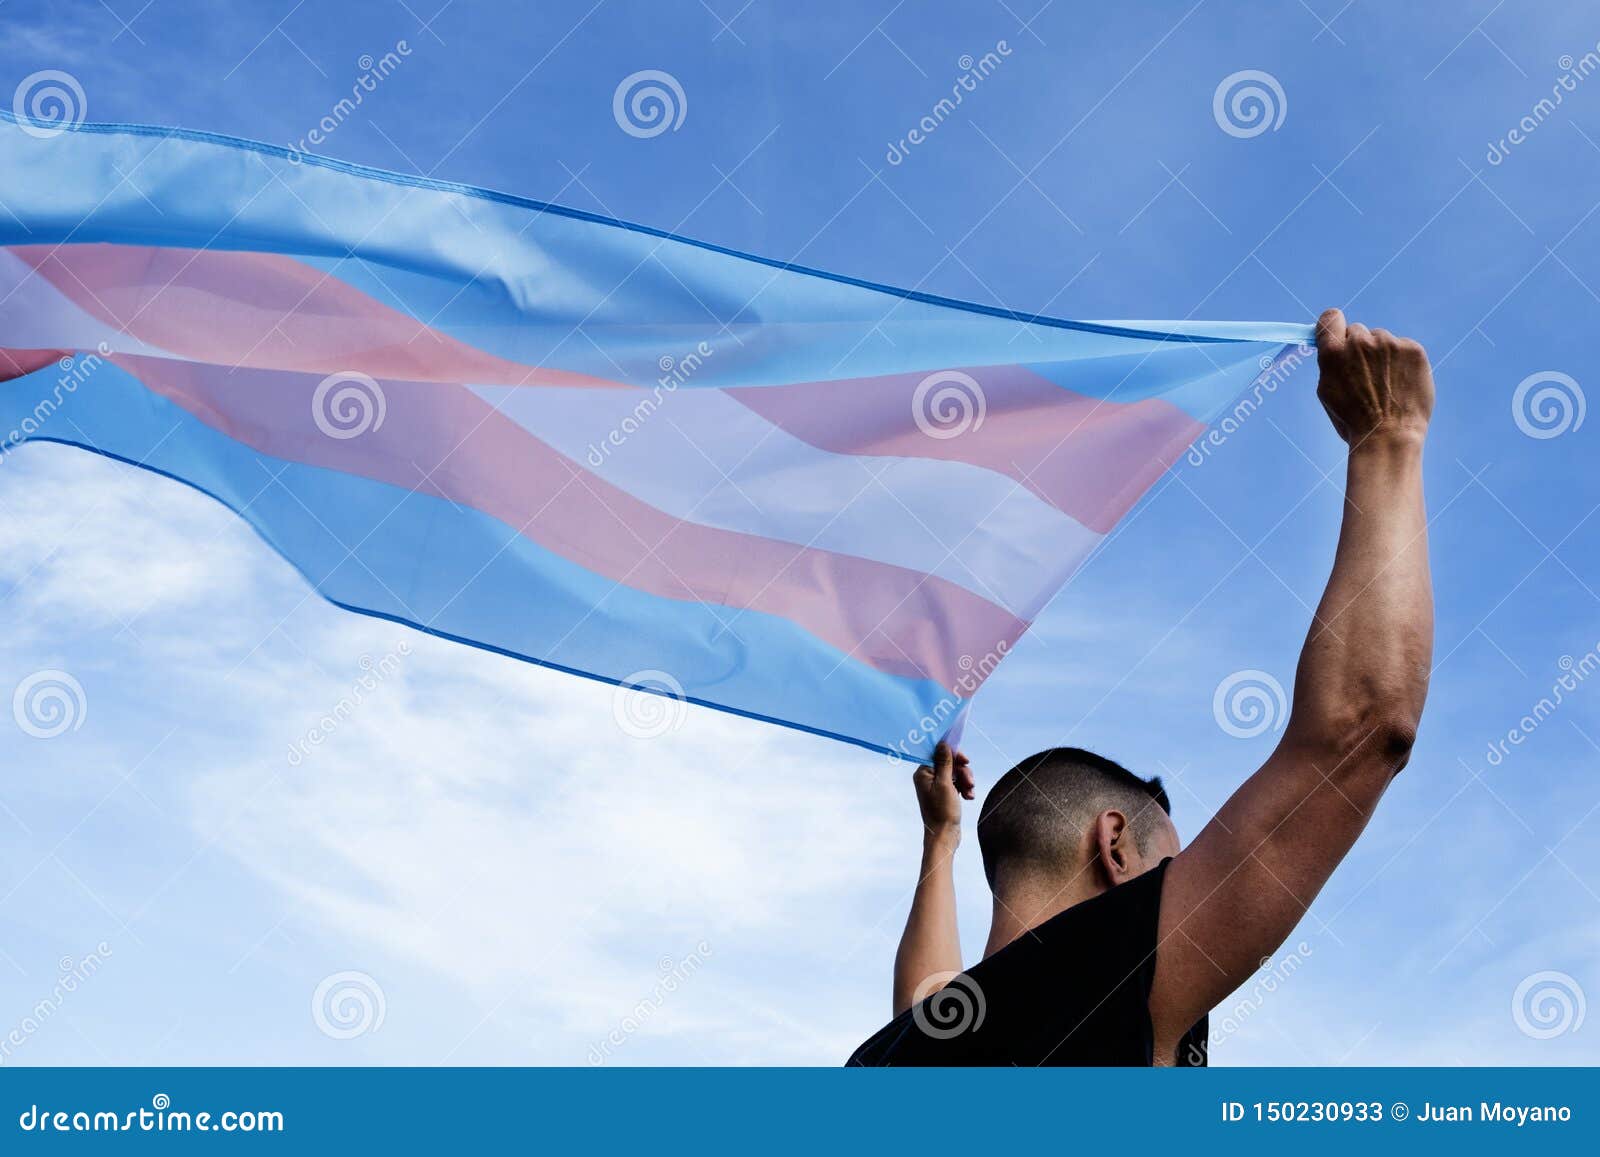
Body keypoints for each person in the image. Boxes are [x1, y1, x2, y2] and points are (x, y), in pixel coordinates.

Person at [849, 308, 1435, 1066]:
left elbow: (929, 996)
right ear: (1115, 843)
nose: (1188, 890)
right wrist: (1389, 438)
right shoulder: (1097, 984)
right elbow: (1365, 728)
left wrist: (942, 841)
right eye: (1173, 867)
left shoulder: (904, 1052)